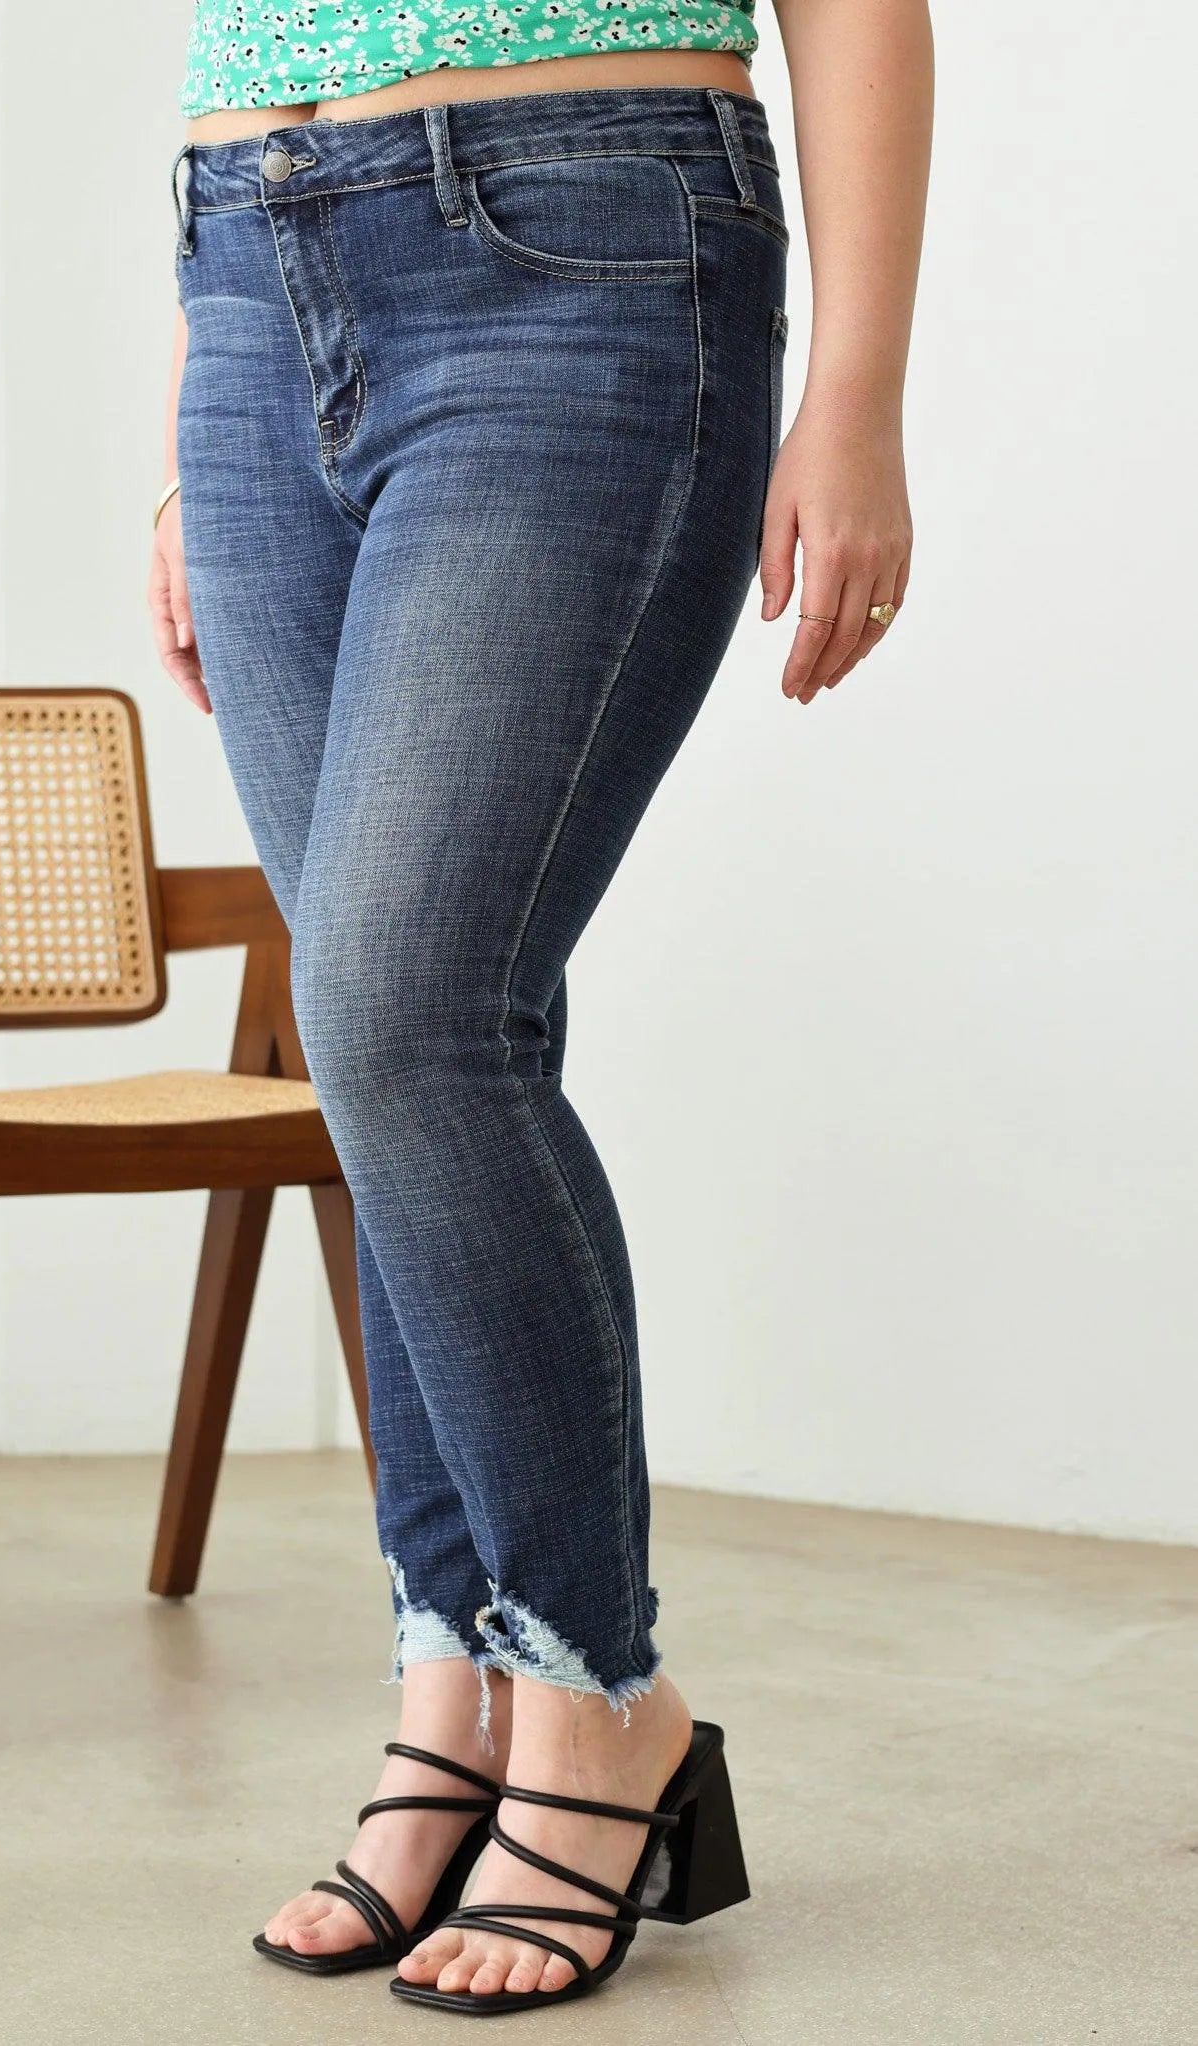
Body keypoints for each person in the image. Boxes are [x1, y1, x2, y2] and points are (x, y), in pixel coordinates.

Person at [149, 0, 932, 2015]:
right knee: (383, 1043)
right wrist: (195, 412)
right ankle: (456, 1682)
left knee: (411, 1015)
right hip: (247, 262)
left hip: (581, 235)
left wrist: (851, 396)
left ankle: (598, 1702)